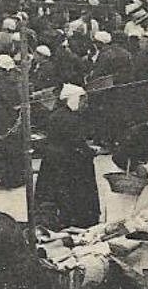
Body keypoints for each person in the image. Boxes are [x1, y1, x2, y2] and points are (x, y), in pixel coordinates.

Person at [34, 83, 101, 228]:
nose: (85, 105)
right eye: (83, 100)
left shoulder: (61, 114)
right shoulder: (68, 118)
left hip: (58, 158)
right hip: (65, 160)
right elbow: (74, 141)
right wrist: (90, 151)